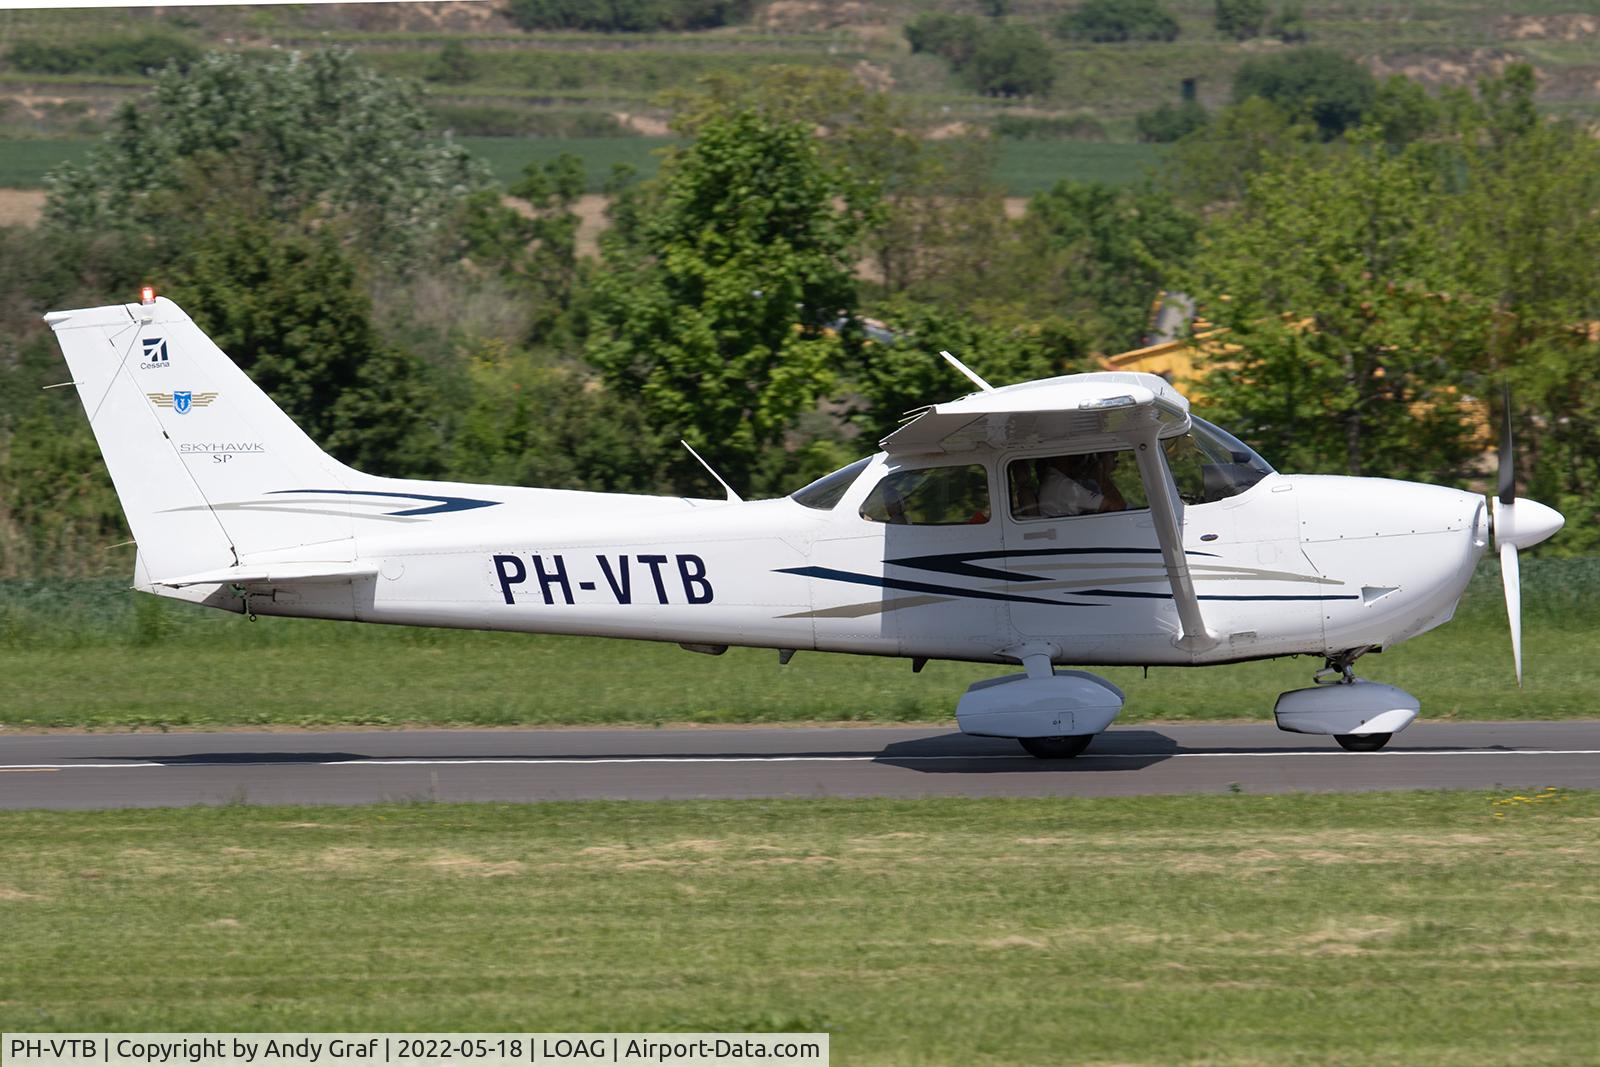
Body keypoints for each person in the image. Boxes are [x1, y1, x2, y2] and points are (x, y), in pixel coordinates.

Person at [1036, 451, 1127, 517]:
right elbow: (1118, 508)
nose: (1079, 459)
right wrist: (1103, 475)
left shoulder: (1054, 479)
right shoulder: (1062, 485)